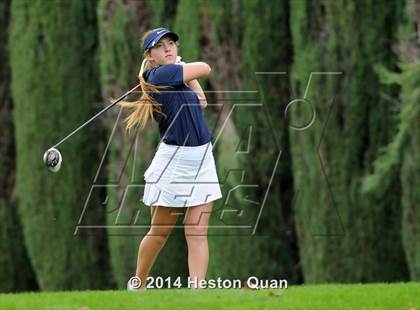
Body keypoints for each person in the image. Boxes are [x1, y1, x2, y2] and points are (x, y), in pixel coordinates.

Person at [120, 27, 223, 290]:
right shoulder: (157, 74)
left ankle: (197, 294)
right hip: (175, 162)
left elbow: (201, 101)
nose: (168, 48)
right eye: (161, 45)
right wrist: (184, 66)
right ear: (150, 55)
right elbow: (206, 67)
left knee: (197, 232)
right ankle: (138, 282)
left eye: (172, 44)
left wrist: (185, 72)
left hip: (201, 158)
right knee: (160, 232)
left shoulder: (174, 76)